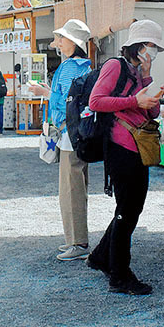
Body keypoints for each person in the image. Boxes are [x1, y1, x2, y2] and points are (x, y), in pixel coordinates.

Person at [86, 19, 164, 296]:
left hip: (136, 146)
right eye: (151, 46)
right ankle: (119, 275)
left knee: (130, 208)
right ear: (138, 46)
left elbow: (152, 112)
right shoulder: (115, 66)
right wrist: (134, 101)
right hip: (121, 146)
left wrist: (148, 79)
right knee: (128, 210)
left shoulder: (137, 72)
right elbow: (95, 101)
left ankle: (101, 256)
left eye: (155, 48)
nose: (153, 52)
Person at [30, 19, 93, 261]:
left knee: (70, 190)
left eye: (62, 37)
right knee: (77, 187)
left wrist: (45, 92)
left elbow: (65, 100)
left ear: (72, 42)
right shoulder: (83, 66)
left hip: (68, 134)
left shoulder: (68, 67)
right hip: (79, 133)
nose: (58, 41)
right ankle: (76, 239)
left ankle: (77, 242)